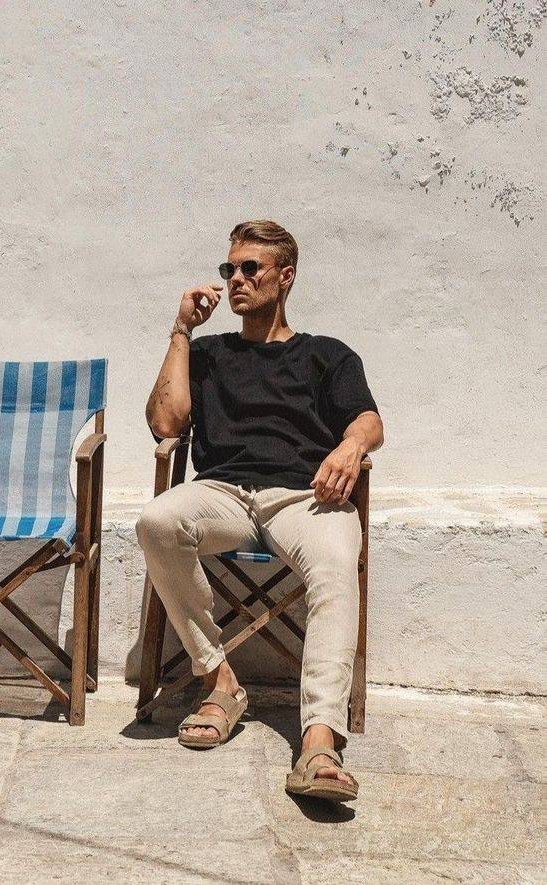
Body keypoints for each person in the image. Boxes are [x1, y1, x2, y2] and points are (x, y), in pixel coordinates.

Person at [135, 219, 384, 802]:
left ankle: (319, 738)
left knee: (335, 565)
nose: (236, 280)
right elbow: (165, 424)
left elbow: (369, 420)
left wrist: (351, 446)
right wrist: (181, 331)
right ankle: (219, 680)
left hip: (303, 496)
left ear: (285, 277)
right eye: (230, 269)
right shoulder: (208, 354)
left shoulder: (326, 355)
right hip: (223, 494)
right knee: (156, 521)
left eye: (251, 268)